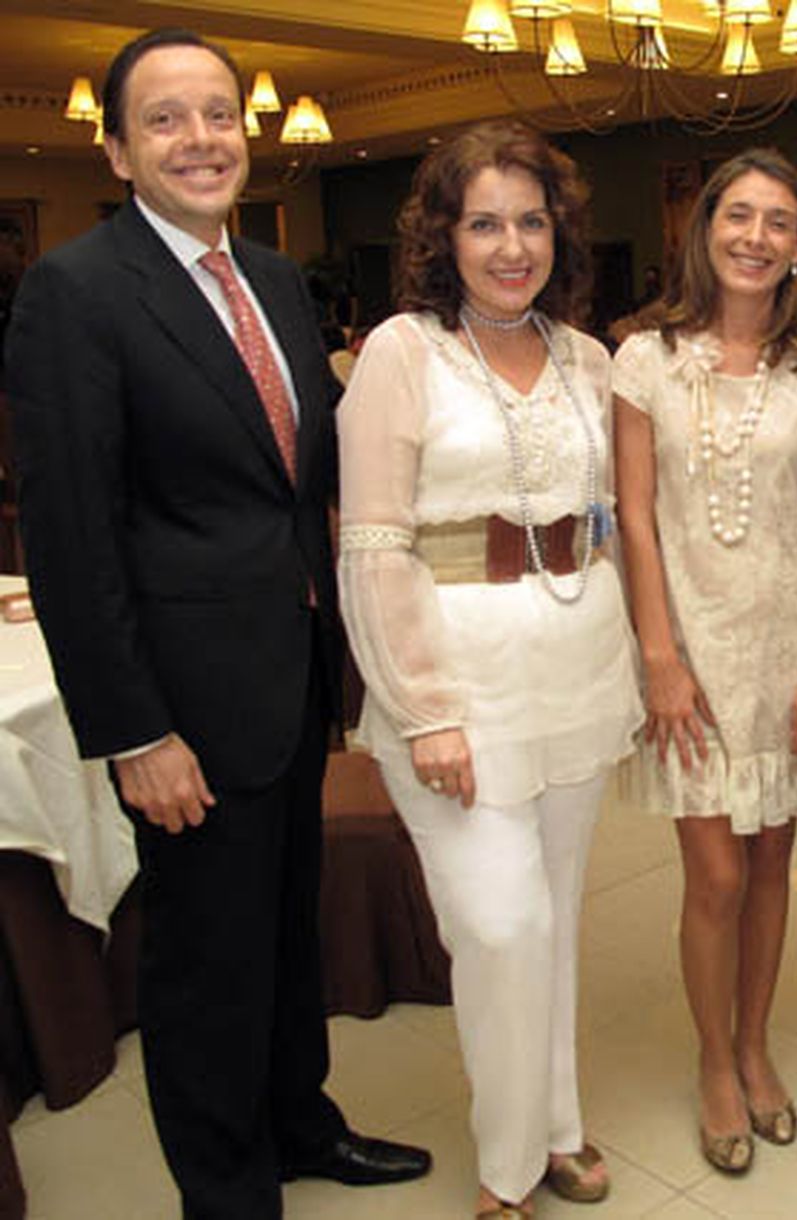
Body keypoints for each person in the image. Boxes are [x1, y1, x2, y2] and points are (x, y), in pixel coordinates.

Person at [3, 28, 429, 1218]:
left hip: (291, 678)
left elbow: (321, 460)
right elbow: (73, 536)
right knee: (205, 963)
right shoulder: (75, 292)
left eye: (218, 115)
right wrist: (135, 729)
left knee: (284, 930)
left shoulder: (280, 281)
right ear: (119, 150)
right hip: (183, 705)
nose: (201, 140)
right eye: (166, 120)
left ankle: (302, 1124)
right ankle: (227, 1187)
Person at [336, 122, 641, 1219]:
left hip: (577, 662)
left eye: (530, 220)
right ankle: (506, 1165)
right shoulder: (401, 353)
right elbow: (372, 545)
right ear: (443, 238)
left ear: (558, 232)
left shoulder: (587, 356)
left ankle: (555, 1125)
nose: (511, 245)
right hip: (457, 685)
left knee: (552, 915)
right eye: (484, 223)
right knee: (499, 921)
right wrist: (421, 709)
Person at [611, 148, 797, 1175]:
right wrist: (658, 655)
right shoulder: (642, 357)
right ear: (704, 228)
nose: (755, 237)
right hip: (689, 648)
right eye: (738, 216)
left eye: (779, 222)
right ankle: (713, 1059)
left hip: (787, 646)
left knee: (769, 860)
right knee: (713, 867)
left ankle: (756, 1045)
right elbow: (633, 515)